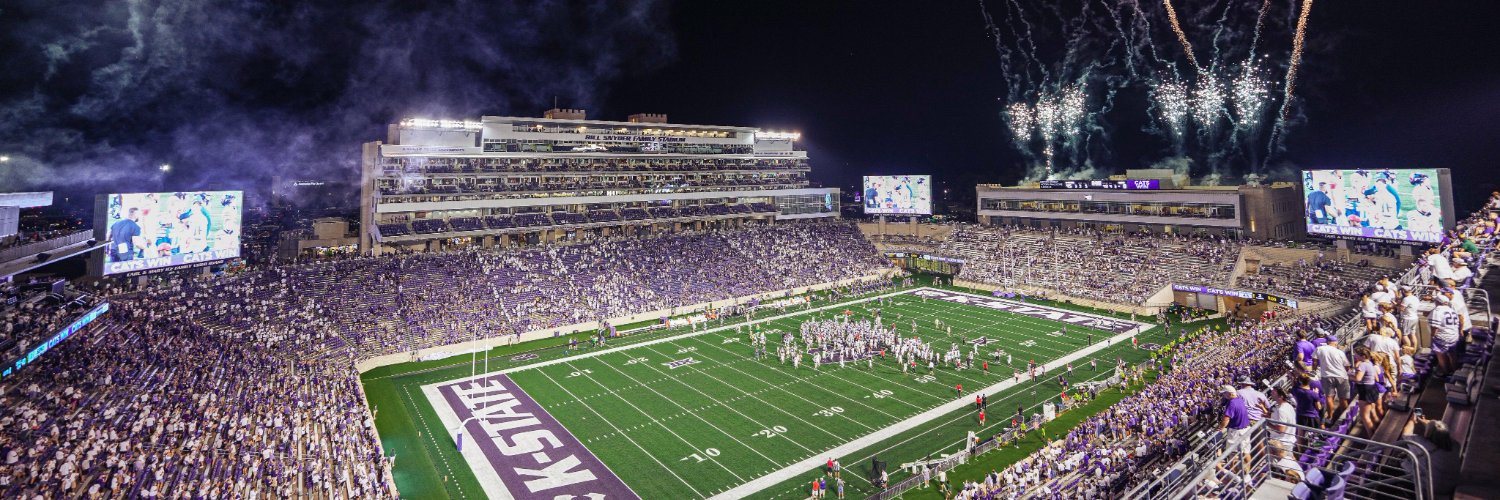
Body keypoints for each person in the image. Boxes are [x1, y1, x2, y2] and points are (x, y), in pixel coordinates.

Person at [1218, 385, 1252, 483]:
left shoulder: (1232, 403)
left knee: (1232, 453)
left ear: (1229, 394)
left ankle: (1234, 474)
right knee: (1246, 451)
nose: (1223, 396)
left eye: (1224, 394)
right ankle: (1247, 471)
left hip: (1236, 431)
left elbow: (1226, 419)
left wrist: (1220, 428)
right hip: (1245, 428)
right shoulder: (1239, 399)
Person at [1314, 337, 1350, 425]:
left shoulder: (1319, 349)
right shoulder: (1340, 352)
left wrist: (1313, 370)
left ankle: (1330, 417)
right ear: (1335, 342)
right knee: (1343, 398)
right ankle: (1344, 417)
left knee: (1329, 397)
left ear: (1328, 342)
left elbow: (1314, 362)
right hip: (1341, 376)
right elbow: (1347, 366)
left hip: (1326, 376)